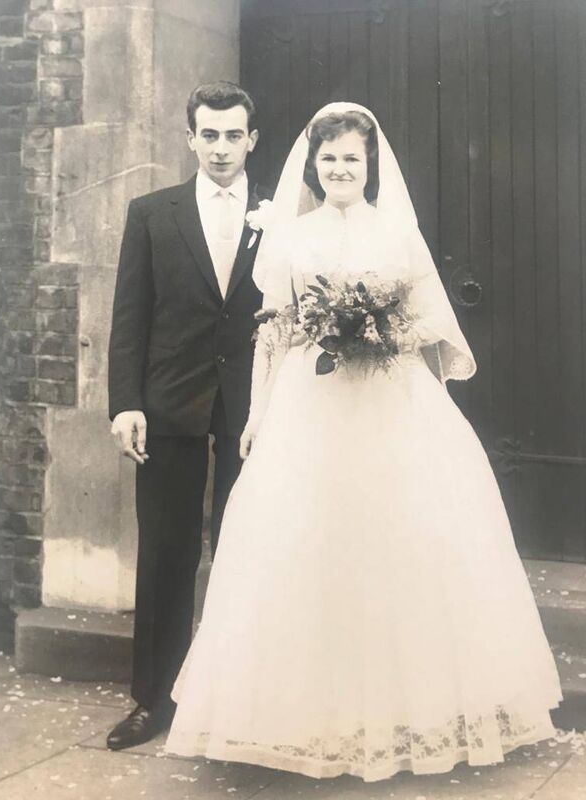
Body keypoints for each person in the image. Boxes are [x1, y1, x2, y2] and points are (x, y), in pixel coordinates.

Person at [165, 103, 562, 781]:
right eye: (330, 159)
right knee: (304, 544)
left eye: (352, 158)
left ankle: (409, 718)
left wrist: (377, 332)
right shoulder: (291, 236)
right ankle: (300, 724)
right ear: (313, 169)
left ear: (369, 166)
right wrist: (258, 414)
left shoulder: (395, 234)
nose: (340, 169)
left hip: (390, 402)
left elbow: (428, 326)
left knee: (405, 543)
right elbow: (273, 332)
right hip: (309, 407)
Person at [106, 82, 262, 750]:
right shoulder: (152, 212)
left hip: (253, 412)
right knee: (167, 551)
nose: (222, 148)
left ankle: (241, 698)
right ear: (189, 138)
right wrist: (126, 403)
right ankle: (153, 700)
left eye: (234, 135)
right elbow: (129, 316)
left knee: (248, 551)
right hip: (167, 404)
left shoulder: (281, 217)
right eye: (210, 134)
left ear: (252, 140)